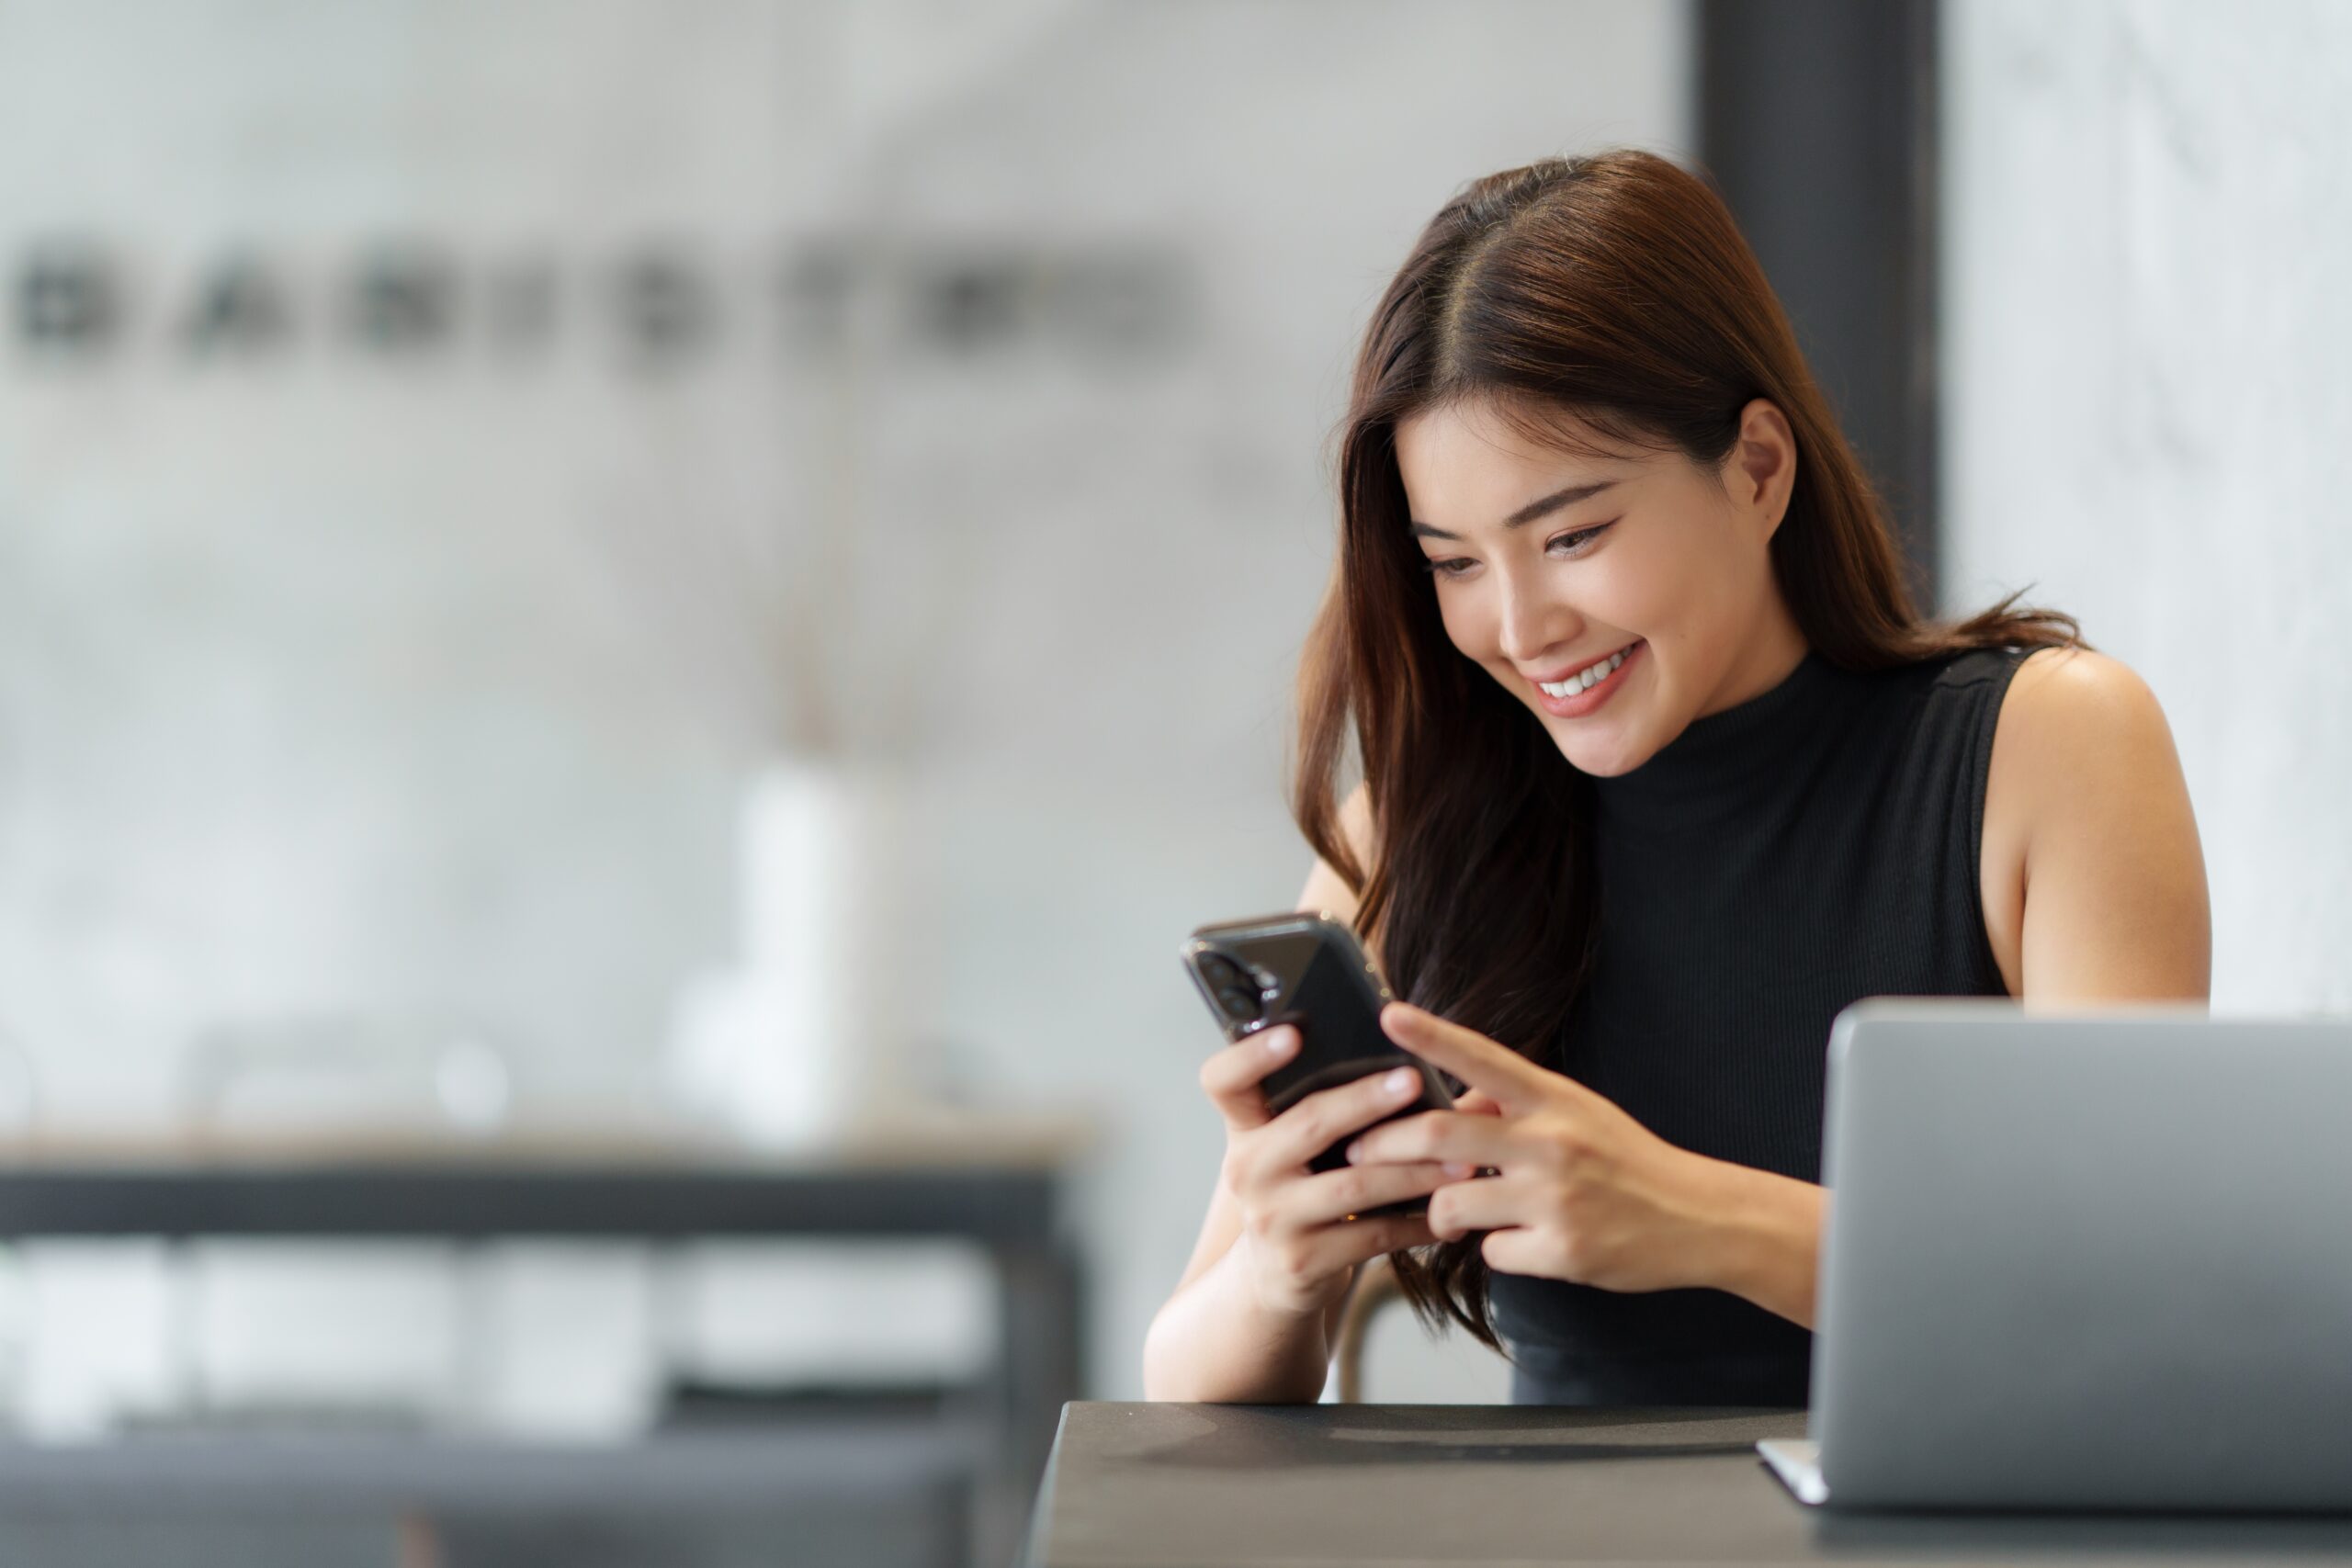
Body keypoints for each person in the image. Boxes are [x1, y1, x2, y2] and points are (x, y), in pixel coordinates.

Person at [1140, 149, 2210, 1406]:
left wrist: (1696, 1217)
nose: (1520, 626)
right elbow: (1183, 1377)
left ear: (1757, 470)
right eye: (1456, 563)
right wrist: (1280, 1269)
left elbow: (2146, 1305)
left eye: (1573, 535)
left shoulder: (2047, 751)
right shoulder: (1416, 834)